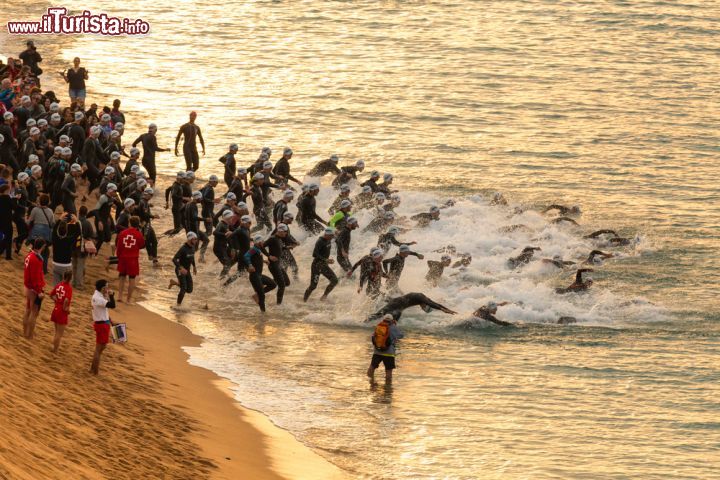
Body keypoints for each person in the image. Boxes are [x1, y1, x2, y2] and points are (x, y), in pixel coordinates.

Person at [303, 227, 338, 302]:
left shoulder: (329, 239)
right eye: (331, 236)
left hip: (323, 265)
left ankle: (324, 296)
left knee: (334, 280)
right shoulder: (320, 241)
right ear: (326, 235)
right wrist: (325, 259)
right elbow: (314, 254)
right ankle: (304, 301)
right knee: (313, 286)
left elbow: (337, 239)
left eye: (333, 236)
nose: (332, 238)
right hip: (317, 265)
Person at [367, 292, 456, 322]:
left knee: (394, 323)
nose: (422, 308)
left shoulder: (423, 298)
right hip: (394, 304)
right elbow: (432, 304)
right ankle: (363, 322)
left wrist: (447, 309)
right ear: (425, 305)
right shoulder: (421, 298)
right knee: (378, 315)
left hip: (399, 307)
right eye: (424, 308)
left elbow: (433, 303)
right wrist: (442, 310)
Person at [244, 234, 277, 312]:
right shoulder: (253, 249)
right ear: (258, 242)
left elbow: (255, 258)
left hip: (259, 275)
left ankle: (257, 295)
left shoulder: (258, 249)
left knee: (273, 284)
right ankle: (263, 313)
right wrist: (250, 265)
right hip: (254, 276)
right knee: (262, 295)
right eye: (262, 241)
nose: (263, 243)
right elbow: (246, 256)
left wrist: (263, 261)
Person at [116, 216, 145, 304]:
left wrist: (118, 256)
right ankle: (128, 300)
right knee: (132, 279)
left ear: (129, 223)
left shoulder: (122, 233)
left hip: (123, 258)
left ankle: (120, 296)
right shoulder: (139, 234)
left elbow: (119, 246)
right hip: (133, 259)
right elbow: (142, 245)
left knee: (122, 277)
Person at [367, 314, 403, 384]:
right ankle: (388, 387)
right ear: (392, 320)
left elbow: (373, 337)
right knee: (388, 371)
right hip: (389, 354)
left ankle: (370, 381)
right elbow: (401, 335)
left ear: (383, 319)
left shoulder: (378, 326)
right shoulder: (393, 327)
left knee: (372, 367)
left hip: (377, 351)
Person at [90, 279, 116, 374]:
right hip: (102, 325)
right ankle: (94, 371)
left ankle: (93, 368)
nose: (107, 289)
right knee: (99, 349)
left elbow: (103, 311)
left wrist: (111, 321)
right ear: (102, 288)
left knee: (101, 347)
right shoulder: (99, 298)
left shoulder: (98, 296)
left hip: (102, 323)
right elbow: (112, 305)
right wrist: (112, 296)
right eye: (106, 287)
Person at [23, 238, 46, 339]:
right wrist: (39, 291)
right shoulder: (36, 259)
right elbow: (35, 277)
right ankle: (30, 335)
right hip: (33, 289)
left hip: (27, 286)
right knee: (34, 313)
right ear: (42, 247)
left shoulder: (29, 255)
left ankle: (25, 332)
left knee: (28, 310)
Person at [169, 232, 198, 307]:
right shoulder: (183, 249)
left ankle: (174, 282)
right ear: (190, 239)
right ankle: (178, 306)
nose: (196, 241)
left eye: (196, 239)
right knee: (184, 288)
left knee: (189, 290)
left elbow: (192, 257)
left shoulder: (192, 247)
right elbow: (174, 259)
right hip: (180, 270)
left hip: (187, 270)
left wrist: (194, 266)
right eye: (194, 239)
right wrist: (180, 268)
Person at [51, 213, 80, 285]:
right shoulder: (69, 240)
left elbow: (54, 229)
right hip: (66, 265)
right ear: (66, 231)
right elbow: (78, 233)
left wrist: (60, 219)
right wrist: (77, 222)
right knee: (66, 286)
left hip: (56, 264)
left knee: (56, 286)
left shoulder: (55, 237)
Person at [265, 223, 290, 305]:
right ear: (280, 231)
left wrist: (286, 247)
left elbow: (278, 247)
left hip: (278, 265)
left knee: (286, 282)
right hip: (273, 265)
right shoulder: (272, 238)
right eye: (285, 232)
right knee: (282, 285)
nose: (286, 233)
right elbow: (260, 246)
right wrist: (269, 256)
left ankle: (262, 290)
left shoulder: (279, 239)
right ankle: (279, 305)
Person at [48, 270, 73, 353]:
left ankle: (54, 347)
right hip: (61, 312)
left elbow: (51, 295)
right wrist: (65, 308)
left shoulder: (59, 285)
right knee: (59, 333)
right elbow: (66, 300)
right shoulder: (68, 288)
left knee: (56, 332)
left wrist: (57, 301)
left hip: (56, 309)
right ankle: (55, 350)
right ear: (70, 278)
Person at [72, 205, 96, 290]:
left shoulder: (74, 221)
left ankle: (73, 282)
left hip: (73, 246)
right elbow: (91, 235)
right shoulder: (87, 223)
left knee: (74, 265)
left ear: (79, 212)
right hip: (82, 248)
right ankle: (79, 284)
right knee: (80, 266)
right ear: (86, 213)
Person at [0, 184, 13, 260]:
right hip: (7, 221)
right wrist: (16, 199)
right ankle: (8, 256)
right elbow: (14, 207)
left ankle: (1, 250)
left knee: (3, 236)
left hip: (0, 220)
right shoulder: (8, 198)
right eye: (8, 190)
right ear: (5, 191)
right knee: (8, 237)